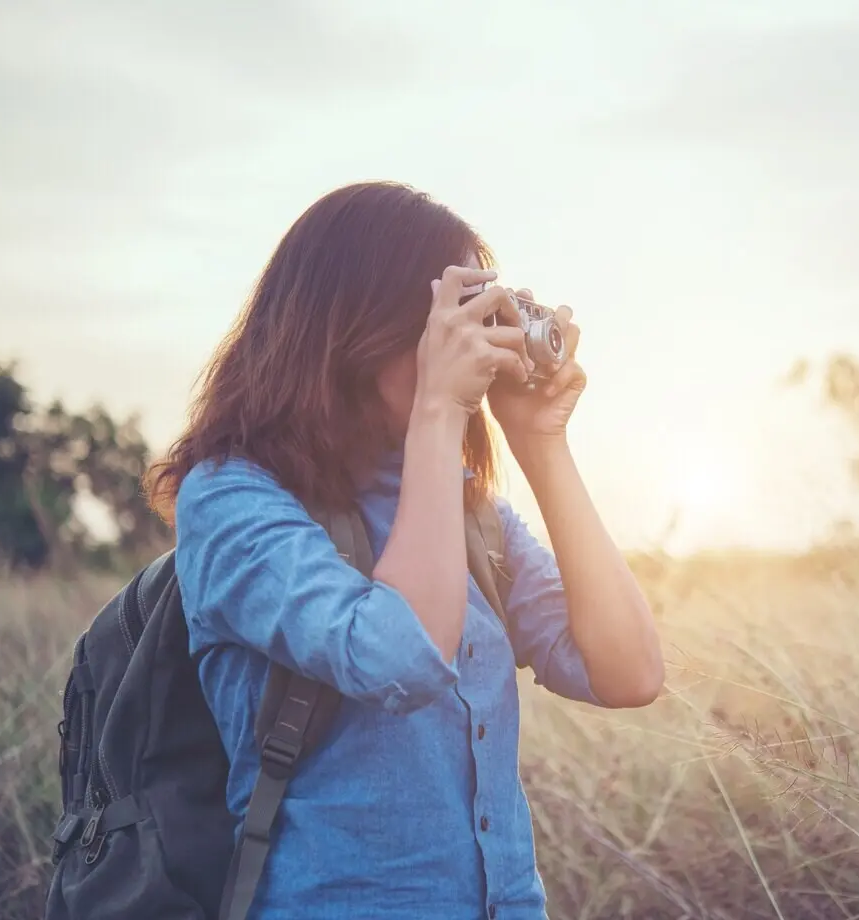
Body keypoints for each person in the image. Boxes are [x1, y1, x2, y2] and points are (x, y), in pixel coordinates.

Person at [142, 181, 665, 919]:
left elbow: (629, 671)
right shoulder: (232, 498)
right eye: (445, 318)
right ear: (356, 326)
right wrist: (439, 410)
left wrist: (541, 443)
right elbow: (400, 656)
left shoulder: (464, 510)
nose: (467, 343)